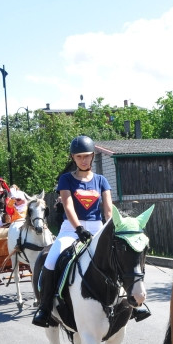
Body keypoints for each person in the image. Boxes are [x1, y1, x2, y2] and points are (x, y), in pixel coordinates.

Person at [32, 135, 114, 327]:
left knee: (118, 257)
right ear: (73, 158)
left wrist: (109, 230)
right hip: (71, 228)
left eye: (86, 156)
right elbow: (68, 206)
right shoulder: (66, 179)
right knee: (51, 259)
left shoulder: (102, 180)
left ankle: (132, 303)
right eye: (79, 157)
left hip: (96, 227)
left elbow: (108, 210)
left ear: (93, 156)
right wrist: (78, 228)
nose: (83, 160)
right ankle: (44, 308)